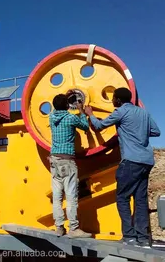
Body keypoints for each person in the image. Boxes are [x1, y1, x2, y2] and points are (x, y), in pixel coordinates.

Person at [84, 87, 161, 247]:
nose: (112, 101)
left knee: (122, 197)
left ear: (118, 100)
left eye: (113, 98)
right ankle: (143, 238)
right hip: (146, 161)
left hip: (131, 160)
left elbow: (98, 126)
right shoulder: (143, 113)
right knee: (140, 200)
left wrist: (90, 113)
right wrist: (138, 132)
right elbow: (156, 131)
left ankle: (129, 236)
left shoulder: (121, 112)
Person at [49, 92, 92, 238]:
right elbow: (86, 126)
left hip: (54, 161)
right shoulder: (70, 118)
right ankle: (73, 228)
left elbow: (57, 109)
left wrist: (64, 98)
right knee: (71, 195)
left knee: (57, 196)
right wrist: (81, 110)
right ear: (68, 105)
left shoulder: (52, 117)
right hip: (67, 161)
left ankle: (59, 227)